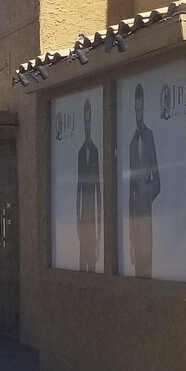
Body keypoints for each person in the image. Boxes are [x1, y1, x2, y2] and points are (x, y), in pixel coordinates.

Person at [124, 82, 161, 277]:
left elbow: (158, 180)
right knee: (137, 264)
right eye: (136, 109)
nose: (139, 114)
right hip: (135, 213)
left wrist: (148, 193)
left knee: (147, 263)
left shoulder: (149, 137)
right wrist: (130, 235)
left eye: (141, 109)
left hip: (146, 211)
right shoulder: (131, 143)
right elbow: (130, 188)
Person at [76, 97, 102, 270]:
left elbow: (99, 190)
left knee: (92, 260)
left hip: (92, 217)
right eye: (84, 121)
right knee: (82, 259)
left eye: (88, 120)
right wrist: (77, 221)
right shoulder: (80, 152)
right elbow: (78, 188)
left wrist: (100, 227)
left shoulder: (95, 151)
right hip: (82, 216)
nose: (87, 125)